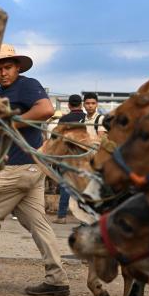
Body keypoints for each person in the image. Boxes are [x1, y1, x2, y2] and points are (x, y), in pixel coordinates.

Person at [0, 43, 70, 296]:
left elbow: (46, 109)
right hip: (29, 169)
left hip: (16, 169)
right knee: (38, 223)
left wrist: (11, 122)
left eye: (7, 67)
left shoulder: (27, 84)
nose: (3, 73)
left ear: (17, 67)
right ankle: (57, 279)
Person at [53, 94, 86, 224]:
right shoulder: (86, 118)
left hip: (67, 156)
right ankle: (83, 219)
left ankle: (61, 216)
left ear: (69, 105)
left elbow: (58, 139)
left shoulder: (64, 119)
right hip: (83, 157)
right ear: (81, 105)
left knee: (65, 187)